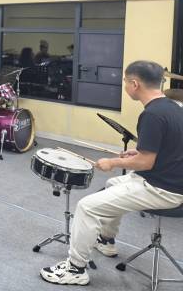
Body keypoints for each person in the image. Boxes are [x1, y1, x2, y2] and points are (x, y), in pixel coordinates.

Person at [40, 60, 183, 286]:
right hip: (171, 180)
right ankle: (106, 241)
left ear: (135, 84)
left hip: (161, 189)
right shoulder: (173, 107)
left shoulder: (152, 115)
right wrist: (139, 151)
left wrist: (113, 162)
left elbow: (146, 163)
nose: (124, 86)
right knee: (112, 185)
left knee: (86, 207)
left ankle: (75, 269)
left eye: (125, 81)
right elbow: (168, 146)